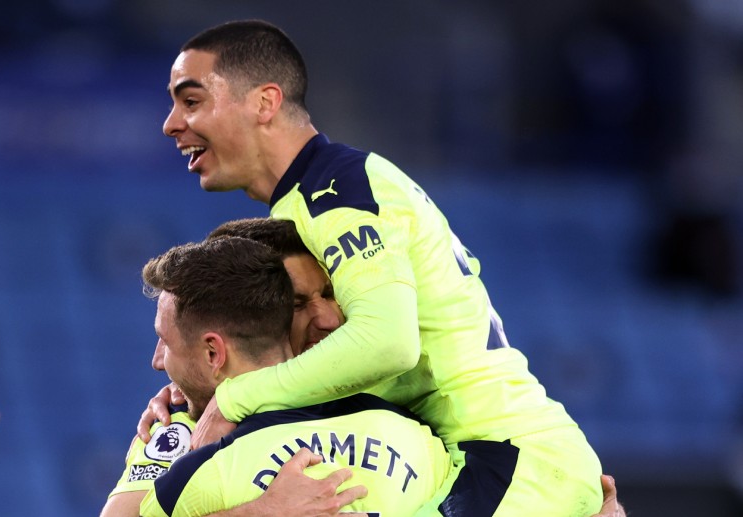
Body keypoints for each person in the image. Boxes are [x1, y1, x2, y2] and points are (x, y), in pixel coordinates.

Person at [162, 20, 604, 515]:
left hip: (508, 460)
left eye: (191, 101)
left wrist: (235, 398)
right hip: (487, 460)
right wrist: (193, 392)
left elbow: (387, 341)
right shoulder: (311, 200)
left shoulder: (338, 193)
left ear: (265, 103)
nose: (171, 124)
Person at [139, 217, 626, 517]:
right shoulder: (178, 432)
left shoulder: (413, 415)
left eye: (331, 294)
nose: (329, 319)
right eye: (298, 304)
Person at [135, 236, 452, 516]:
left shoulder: (198, 476)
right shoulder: (424, 443)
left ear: (213, 353)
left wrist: (259, 513)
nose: (157, 361)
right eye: (300, 303)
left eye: (166, 341)